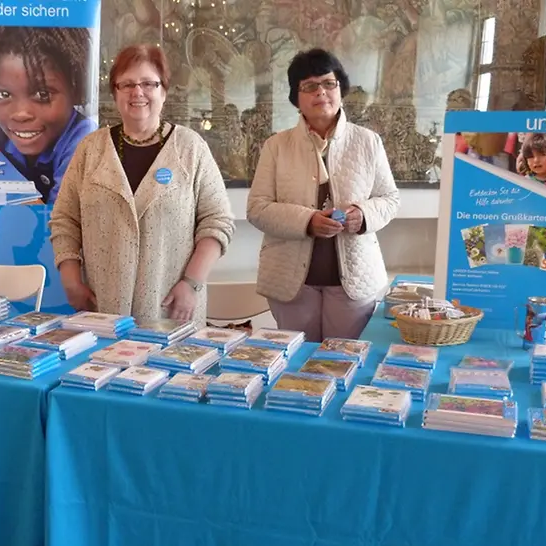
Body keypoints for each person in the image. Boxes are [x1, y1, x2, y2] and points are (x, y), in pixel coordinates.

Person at [49, 44, 235, 324]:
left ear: (164, 91)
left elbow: (217, 221)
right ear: (115, 92)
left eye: (149, 83)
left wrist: (192, 283)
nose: (138, 92)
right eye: (127, 84)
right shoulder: (91, 149)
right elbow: (65, 219)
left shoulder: (190, 148)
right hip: (105, 309)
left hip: (171, 309)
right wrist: (71, 282)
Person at [247, 48, 399, 342]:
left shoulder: (368, 142)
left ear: (341, 88)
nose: (321, 93)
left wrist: (363, 215)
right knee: (297, 370)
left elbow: (390, 198)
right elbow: (257, 208)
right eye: (309, 86)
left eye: (329, 83)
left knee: (344, 364)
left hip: (353, 282)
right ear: (296, 97)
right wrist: (308, 221)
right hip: (291, 284)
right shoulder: (276, 146)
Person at [0, 26, 97, 204]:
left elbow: (58, 220)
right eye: (4, 95)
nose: (21, 114)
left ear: (76, 91)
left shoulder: (83, 141)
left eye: (43, 95)